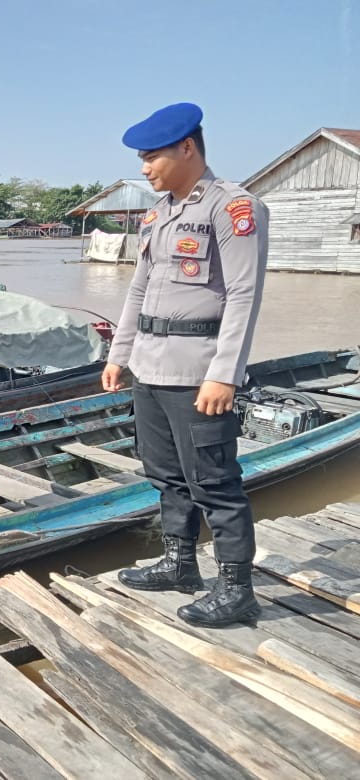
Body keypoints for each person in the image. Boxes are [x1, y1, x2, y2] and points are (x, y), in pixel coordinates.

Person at [102, 102, 268, 627]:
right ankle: (179, 563)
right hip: (150, 368)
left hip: (198, 371)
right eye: (142, 159)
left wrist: (226, 373)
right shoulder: (158, 215)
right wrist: (119, 353)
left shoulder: (233, 207)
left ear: (188, 148)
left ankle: (237, 588)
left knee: (214, 481)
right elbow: (138, 289)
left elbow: (244, 294)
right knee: (166, 474)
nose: (145, 168)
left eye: (152, 157)